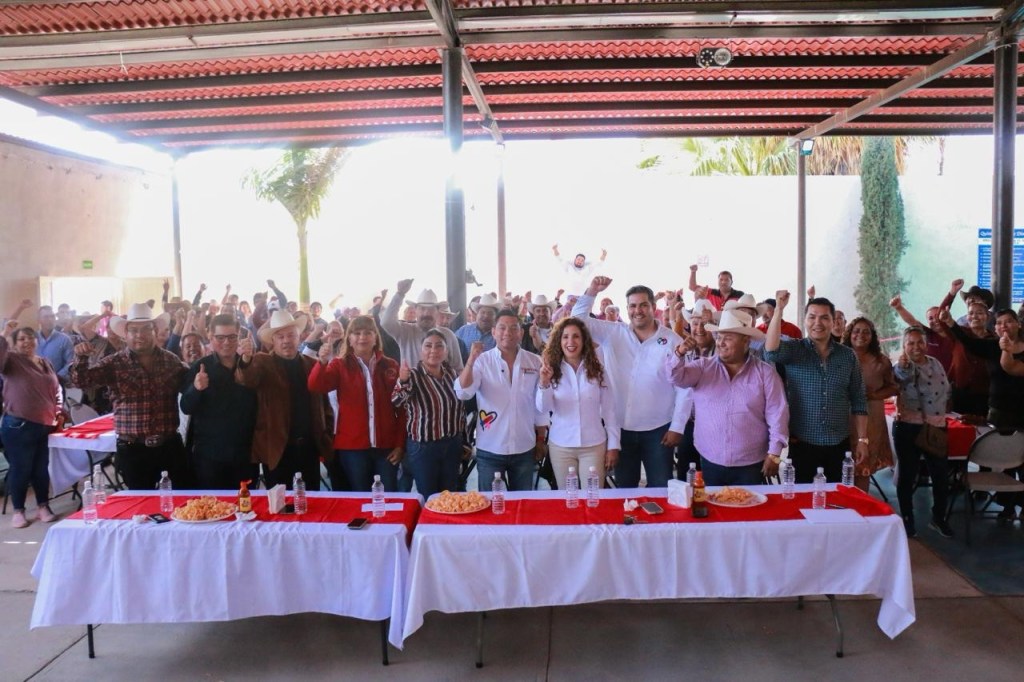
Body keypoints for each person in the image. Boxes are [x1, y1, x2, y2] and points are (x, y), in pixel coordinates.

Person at [573, 277, 690, 488]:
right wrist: (592, 291)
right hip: (620, 430)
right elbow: (578, 320)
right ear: (627, 309)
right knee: (625, 490)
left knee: (661, 488)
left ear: (654, 307)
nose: (638, 310)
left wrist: (678, 427)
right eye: (633, 306)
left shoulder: (673, 341)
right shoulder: (613, 333)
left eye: (644, 305)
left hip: (659, 431)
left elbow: (685, 388)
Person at [70, 303, 188, 490]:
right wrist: (81, 357)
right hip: (133, 449)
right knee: (141, 508)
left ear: (155, 330)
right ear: (125, 335)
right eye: (133, 330)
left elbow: (191, 384)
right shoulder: (113, 363)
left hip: (170, 446)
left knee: (182, 503)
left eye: (145, 329)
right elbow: (82, 381)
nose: (139, 335)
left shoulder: (171, 361)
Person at [667, 310, 788, 486]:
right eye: (719, 337)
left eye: (728, 338)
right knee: (713, 509)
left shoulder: (765, 374)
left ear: (746, 341)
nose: (720, 343)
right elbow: (675, 377)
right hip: (710, 459)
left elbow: (778, 414)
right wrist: (679, 352)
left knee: (747, 507)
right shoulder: (703, 368)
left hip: (751, 463)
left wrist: (775, 454)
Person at [764, 291, 868, 483]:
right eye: (812, 317)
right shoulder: (795, 349)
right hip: (803, 443)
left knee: (838, 500)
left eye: (824, 318)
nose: (817, 323)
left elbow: (859, 400)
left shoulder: (848, 356)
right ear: (805, 320)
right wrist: (778, 309)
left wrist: (862, 440)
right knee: (802, 501)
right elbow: (771, 352)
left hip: (839, 444)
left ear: (833, 322)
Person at [236, 310, 334, 490]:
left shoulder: (312, 364)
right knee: (279, 505)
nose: (286, 341)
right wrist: (246, 358)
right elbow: (246, 378)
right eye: (280, 337)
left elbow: (325, 405)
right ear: (272, 340)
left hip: (309, 448)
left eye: (291, 335)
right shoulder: (262, 362)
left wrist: (326, 435)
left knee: (311, 501)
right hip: (277, 450)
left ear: (300, 337)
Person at [308, 315, 405, 492]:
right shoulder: (338, 365)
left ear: (376, 338)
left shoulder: (391, 365)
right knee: (360, 497)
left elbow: (401, 408)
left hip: (387, 448)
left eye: (368, 333)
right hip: (352, 448)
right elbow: (316, 385)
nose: (362, 337)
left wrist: (400, 444)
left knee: (390, 496)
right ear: (349, 339)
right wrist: (322, 362)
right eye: (357, 333)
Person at [455, 309, 547, 491]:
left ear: (521, 333)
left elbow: (540, 406)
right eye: (502, 328)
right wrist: (470, 361)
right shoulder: (482, 361)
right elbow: (463, 393)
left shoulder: (535, 362)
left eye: (514, 328)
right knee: (489, 507)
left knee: (522, 504)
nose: (508, 333)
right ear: (494, 332)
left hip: (524, 446)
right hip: (490, 448)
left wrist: (541, 439)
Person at [537, 317, 620, 488]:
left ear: (584, 341)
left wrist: (613, 445)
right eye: (565, 336)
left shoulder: (598, 370)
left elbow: (610, 410)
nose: (570, 341)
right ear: (559, 341)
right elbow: (543, 408)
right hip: (561, 445)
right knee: (568, 497)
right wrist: (544, 383)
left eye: (576, 336)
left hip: (594, 445)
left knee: (593, 495)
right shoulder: (551, 369)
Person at [179, 315, 258, 490]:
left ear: (239, 336)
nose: (227, 343)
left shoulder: (250, 364)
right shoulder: (200, 367)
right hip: (210, 456)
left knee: (246, 509)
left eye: (232, 337)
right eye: (220, 337)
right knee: (213, 510)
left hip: (244, 454)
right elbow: (185, 407)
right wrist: (196, 389)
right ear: (210, 337)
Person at [892, 326, 953, 538]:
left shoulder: (935, 363)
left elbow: (945, 389)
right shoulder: (901, 366)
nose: (916, 347)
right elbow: (901, 377)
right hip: (908, 426)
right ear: (904, 346)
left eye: (920, 342)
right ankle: (907, 519)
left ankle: (939, 518)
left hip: (936, 426)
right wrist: (903, 366)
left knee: (941, 476)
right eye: (911, 343)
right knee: (908, 475)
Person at [392, 329, 465, 499]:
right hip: (423, 447)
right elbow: (396, 401)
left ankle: (446, 525)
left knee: (450, 495)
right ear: (421, 350)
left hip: (452, 445)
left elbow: (460, 411)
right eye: (428, 346)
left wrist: (465, 442)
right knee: (429, 496)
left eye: (439, 346)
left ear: (446, 351)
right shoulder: (412, 375)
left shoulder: (452, 375)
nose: (434, 350)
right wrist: (402, 381)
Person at [1, 326, 62, 528]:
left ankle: (43, 507)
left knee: (41, 469)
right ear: (14, 343)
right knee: (21, 469)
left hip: (44, 425)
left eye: (30, 338)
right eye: (21, 339)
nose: (27, 342)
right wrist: (4, 333)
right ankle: (18, 511)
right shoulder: (11, 361)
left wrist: (59, 412)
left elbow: (56, 390)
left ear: (37, 341)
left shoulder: (45, 362)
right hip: (18, 425)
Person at [841, 317, 898, 491]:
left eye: (866, 332)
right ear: (849, 333)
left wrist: (875, 394)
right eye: (857, 331)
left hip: (871, 421)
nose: (861, 335)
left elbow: (895, 387)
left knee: (862, 466)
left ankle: (860, 509)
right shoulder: (839, 357)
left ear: (872, 337)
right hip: (842, 419)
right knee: (840, 466)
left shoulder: (881, 361)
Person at [381, 280, 464, 371]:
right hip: (412, 384)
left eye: (431, 309)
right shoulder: (405, 331)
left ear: (437, 312)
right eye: (422, 309)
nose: (426, 313)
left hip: (443, 384)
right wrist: (399, 294)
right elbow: (386, 322)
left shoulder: (448, 334)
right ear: (415, 310)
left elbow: (458, 368)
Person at [35, 305, 75, 384]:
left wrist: (57, 377)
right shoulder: (32, 338)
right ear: (39, 320)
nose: (50, 320)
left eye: (52, 316)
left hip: (56, 384)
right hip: (34, 384)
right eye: (46, 317)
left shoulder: (64, 339)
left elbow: (71, 362)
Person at [455, 293, 499, 359]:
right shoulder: (463, 331)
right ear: (477, 314)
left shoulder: (499, 335)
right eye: (483, 312)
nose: (486, 316)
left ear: (496, 317)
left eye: (490, 313)